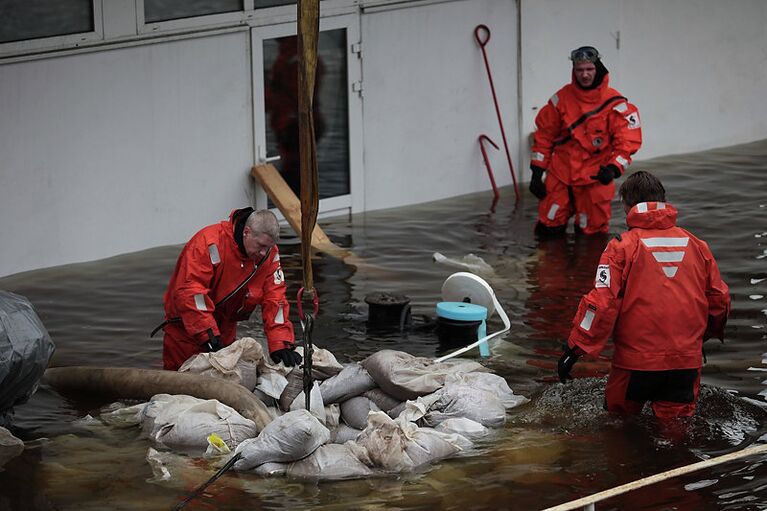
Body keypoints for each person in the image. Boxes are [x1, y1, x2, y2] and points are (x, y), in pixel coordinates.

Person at [557, 171, 731, 418]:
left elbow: (601, 303)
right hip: (685, 362)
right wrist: (703, 338)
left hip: (635, 363)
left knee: (619, 427)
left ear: (626, 205)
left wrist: (574, 349)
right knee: (675, 434)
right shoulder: (697, 245)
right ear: (663, 199)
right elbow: (719, 299)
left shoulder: (620, 247)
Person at [158, 208, 300, 371]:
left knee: (223, 383)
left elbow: (276, 299)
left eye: (267, 247)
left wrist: (279, 343)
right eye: (260, 246)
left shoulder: (269, 254)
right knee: (179, 383)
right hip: (186, 330)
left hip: (224, 329)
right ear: (246, 232)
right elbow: (191, 291)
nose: (263, 253)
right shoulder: (208, 242)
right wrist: (209, 335)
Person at [529, 46, 642, 236]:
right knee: (548, 229)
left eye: (589, 69)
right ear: (574, 71)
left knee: (592, 238)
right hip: (561, 175)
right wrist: (536, 172)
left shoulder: (615, 103)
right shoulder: (561, 99)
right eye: (580, 70)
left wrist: (613, 169)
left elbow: (627, 143)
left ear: (597, 68)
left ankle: (586, 267)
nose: (585, 75)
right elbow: (544, 136)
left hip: (595, 178)